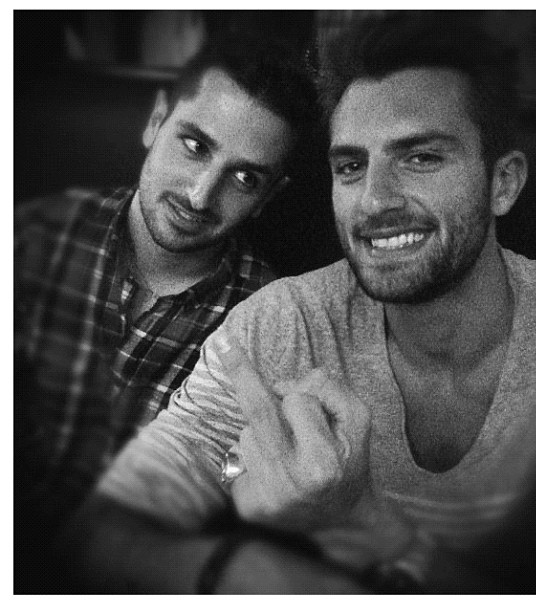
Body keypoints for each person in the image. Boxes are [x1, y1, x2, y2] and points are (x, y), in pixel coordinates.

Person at [59, 16, 536, 594]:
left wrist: (366, 526)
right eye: (351, 167)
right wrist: (247, 573)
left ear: (503, 183)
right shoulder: (283, 324)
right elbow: (98, 533)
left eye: (420, 158)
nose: (374, 201)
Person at [14, 32, 319, 589]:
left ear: (269, 196)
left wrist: (237, 474)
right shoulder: (32, 238)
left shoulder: (274, 322)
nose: (201, 195)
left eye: (245, 178)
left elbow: (238, 479)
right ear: (156, 121)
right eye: (195, 145)